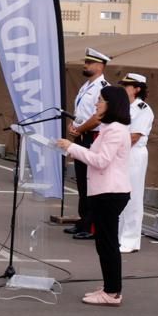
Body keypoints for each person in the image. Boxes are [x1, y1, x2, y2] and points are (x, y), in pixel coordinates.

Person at [57, 85, 133, 306]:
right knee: (103, 242)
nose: (97, 103)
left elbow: (101, 160)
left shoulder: (116, 130)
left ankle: (112, 292)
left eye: (100, 100)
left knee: (107, 242)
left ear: (112, 104)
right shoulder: (109, 127)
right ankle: (110, 285)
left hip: (111, 192)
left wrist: (72, 147)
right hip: (105, 191)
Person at [64, 49, 112, 239]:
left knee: (91, 182)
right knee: (82, 182)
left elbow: (98, 117)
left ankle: (91, 225)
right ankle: (83, 220)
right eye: (86, 62)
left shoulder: (103, 87)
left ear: (100, 66)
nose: (86, 65)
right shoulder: (86, 86)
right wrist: (74, 126)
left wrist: (81, 128)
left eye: (90, 63)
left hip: (92, 137)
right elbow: (81, 112)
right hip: (82, 135)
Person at [118, 73, 155, 254]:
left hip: (133, 154)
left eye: (127, 85)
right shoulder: (123, 106)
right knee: (119, 194)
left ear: (137, 88)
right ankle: (119, 236)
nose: (123, 88)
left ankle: (130, 240)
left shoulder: (143, 109)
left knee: (132, 196)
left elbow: (134, 136)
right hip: (120, 152)